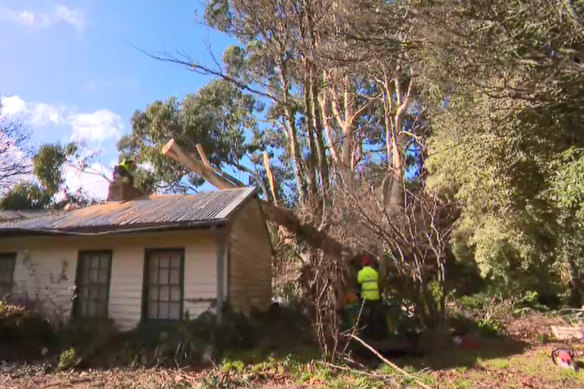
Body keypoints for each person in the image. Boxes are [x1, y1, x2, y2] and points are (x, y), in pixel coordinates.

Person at [357, 255, 387, 340]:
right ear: (370, 264)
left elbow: (359, 281)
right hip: (375, 297)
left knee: (366, 316)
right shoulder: (374, 272)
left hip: (366, 297)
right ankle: (378, 334)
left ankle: (365, 334)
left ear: (363, 264)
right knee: (375, 315)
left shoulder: (361, 273)